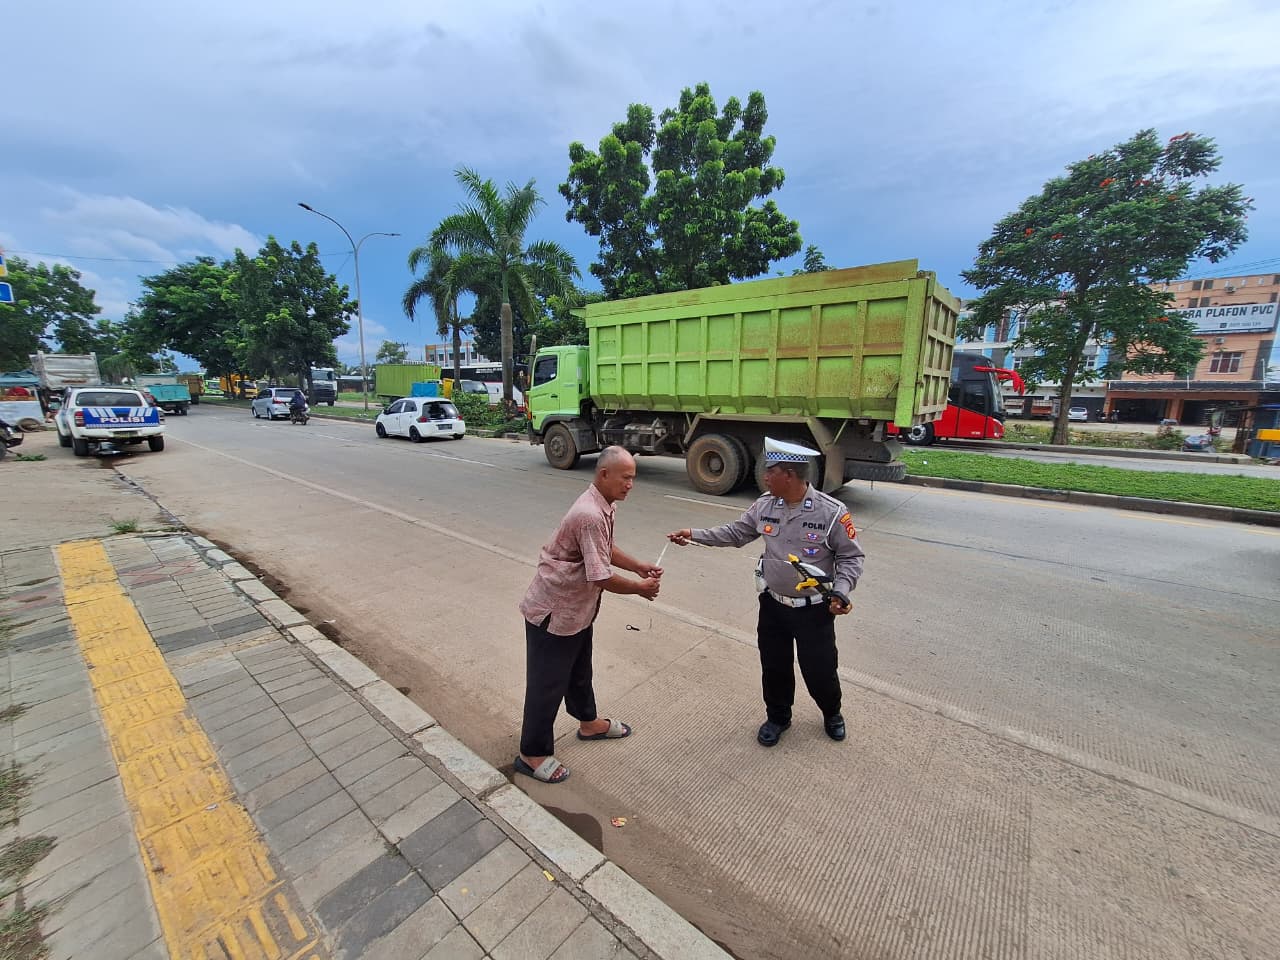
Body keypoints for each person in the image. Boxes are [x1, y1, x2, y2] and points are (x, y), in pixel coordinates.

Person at [667, 437, 864, 747]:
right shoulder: (765, 505)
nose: (764, 477)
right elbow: (736, 532)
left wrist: (841, 592)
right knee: (774, 667)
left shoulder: (831, 512)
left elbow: (851, 557)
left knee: (820, 669)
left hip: (814, 610)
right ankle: (778, 717)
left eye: (769, 471)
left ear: (788, 474)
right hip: (773, 606)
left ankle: (832, 712)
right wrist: (694, 535)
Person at [516, 446, 662, 783]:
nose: (630, 485)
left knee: (580, 672)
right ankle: (532, 753)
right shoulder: (589, 513)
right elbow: (599, 575)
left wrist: (638, 566)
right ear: (604, 475)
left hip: (577, 612)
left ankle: (588, 722)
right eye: (626, 478)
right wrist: (640, 588)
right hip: (553, 615)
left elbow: (603, 549)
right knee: (546, 686)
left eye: (633, 478)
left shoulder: (603, 505)